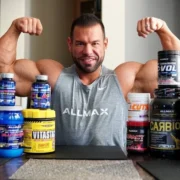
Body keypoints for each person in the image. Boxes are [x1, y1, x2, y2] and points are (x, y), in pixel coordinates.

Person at [0, 14, 180, 154]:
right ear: (70, 44)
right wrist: (15, 28)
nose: (88, 51)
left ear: (105, 44)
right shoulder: (53, 77)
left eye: (95, 43)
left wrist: (162, 29)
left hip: (113, 171)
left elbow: (175, 77)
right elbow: (5, 71)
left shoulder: (123, 79)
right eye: (80, 43)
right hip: (59, 170)